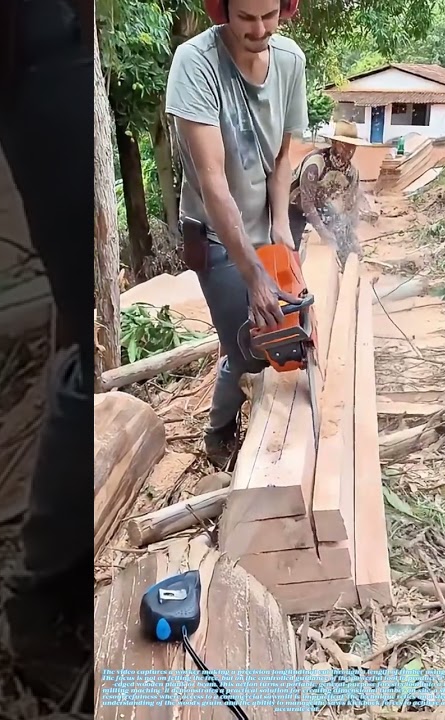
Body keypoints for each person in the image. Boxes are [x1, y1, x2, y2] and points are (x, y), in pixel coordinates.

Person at [0, 0, 92, 708]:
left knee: (83, 317)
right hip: (36, 40)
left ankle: (68, 574)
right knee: (88, 325)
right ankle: (40, 601)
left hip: (57, 37)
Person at [165, 0, 310, 470]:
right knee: (247, 348)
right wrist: (252, 274)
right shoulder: (196, 64)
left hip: (265, 224)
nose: (260, 28)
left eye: (269, 15)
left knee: (282, 331)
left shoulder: (290, 62)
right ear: (221, 11)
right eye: (246, 17)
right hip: (214, 232)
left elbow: (283, 156)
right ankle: (219, 430)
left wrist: (281, 228)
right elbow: (212, 181)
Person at [290, 120, 363, 265]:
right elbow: (307, 203)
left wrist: (350, 236)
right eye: (344, 145)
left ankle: (345, 263)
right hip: (293, 205)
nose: (349, 151)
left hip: (319, 204)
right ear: (334, 143)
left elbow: (349, 207)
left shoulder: (352, 173)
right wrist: (324, 234)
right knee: (291, 245)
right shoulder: (316, 163)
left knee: (340, 226)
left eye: (352, 146)